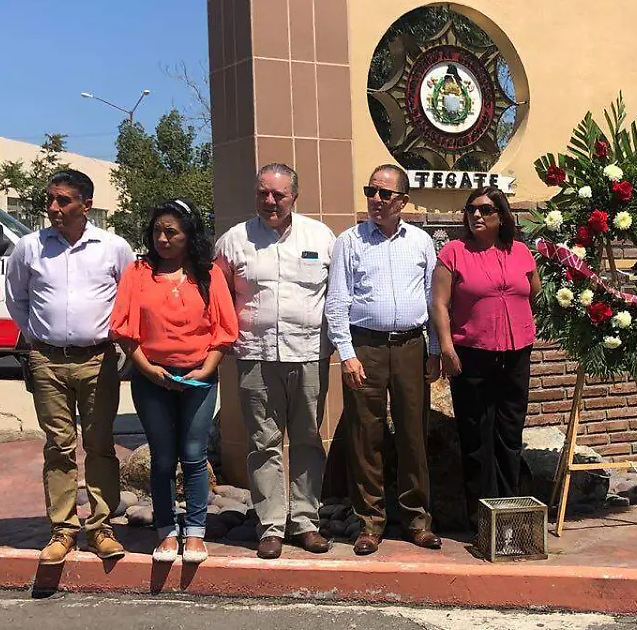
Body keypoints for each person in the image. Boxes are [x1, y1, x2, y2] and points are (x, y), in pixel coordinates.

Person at [5, 169, 136, 564]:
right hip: (47, 360)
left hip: (98, 359)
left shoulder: (113, 248)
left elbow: (129, 297)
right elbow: (16, 299)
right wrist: (36, 338)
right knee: (59, 446)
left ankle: (101, 529)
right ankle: (62, 529)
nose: (53, 208)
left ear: (86, 205)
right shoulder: (29, 248)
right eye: (50, 200)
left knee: (99, 444)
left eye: (63, 200)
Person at [215, 163, 336, 559]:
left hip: (309, 354)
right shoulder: (234, 241)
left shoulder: (321, 236)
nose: (269, 201)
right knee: (262, 443)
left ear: (294, 198)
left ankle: (305, 521)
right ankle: (270, 525)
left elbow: (336, 296)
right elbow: (218, 298)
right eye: (263, 193)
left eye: (278, 195)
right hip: (255, 356)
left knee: (306, 440)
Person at [112, 199, 237, 563]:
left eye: (172, 232)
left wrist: (206, 368)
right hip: (151, 377)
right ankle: (166, 531)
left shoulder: (208, 274)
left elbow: (224, 331)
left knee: (194, 456)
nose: (163, 239)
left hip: (199, 379)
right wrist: (148, 369)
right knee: (163, 458)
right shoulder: (138, 273)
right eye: (157, 231)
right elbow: (124, 331)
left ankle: (195, 532)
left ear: (189, 235)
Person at [326, 163, 442, 556]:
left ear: (403, 201)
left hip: (411, 345)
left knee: (413, 433)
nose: (375, 199)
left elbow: (432, 300)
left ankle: (416, 520)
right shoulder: (349, 241)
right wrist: (347, 354)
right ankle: (370, 522)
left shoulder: (421, 242)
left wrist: (434, 350)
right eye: (370, 191)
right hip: (367, 348)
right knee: (365, 436)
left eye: (384, 194)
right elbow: (338, 302)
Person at [430, 187, 540, 530]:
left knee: (509, 433)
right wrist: (446, 348)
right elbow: (438, 304)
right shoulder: (454, 252)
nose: (477, 215)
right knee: (477, 435)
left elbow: (534, 293)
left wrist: (518, 325)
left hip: (516, 354)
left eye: (486, 210)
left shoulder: (521, 252)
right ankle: (482, 517)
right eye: (471, 210)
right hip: (472, 355)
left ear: (502, 215)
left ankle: (511, 514)